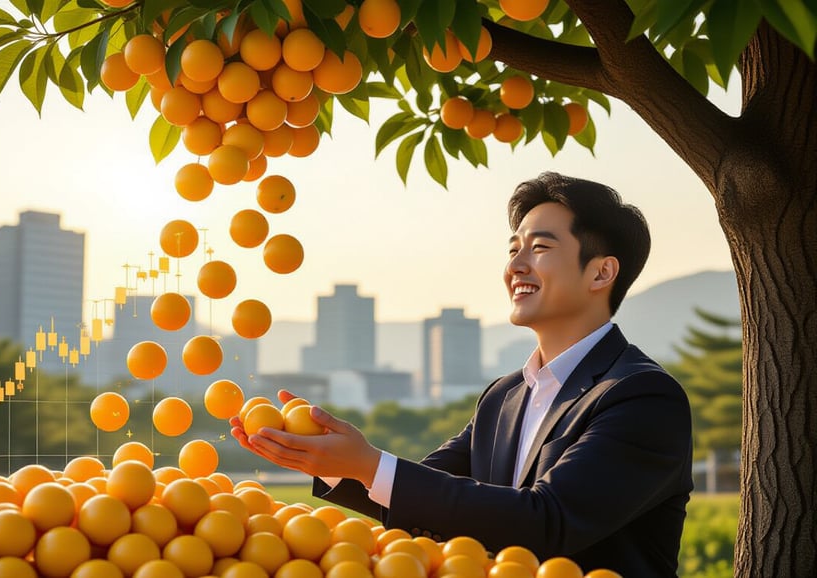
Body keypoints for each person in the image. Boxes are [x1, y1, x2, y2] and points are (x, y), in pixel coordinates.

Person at [230, 172, 694, 577]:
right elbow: (424, 488)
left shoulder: (642, 397)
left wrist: (367, 463)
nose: (515, 266)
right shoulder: (505, 396)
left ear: (601, 273)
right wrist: (329, 460)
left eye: (540, 248)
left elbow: (547, 522)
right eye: (513, 249)